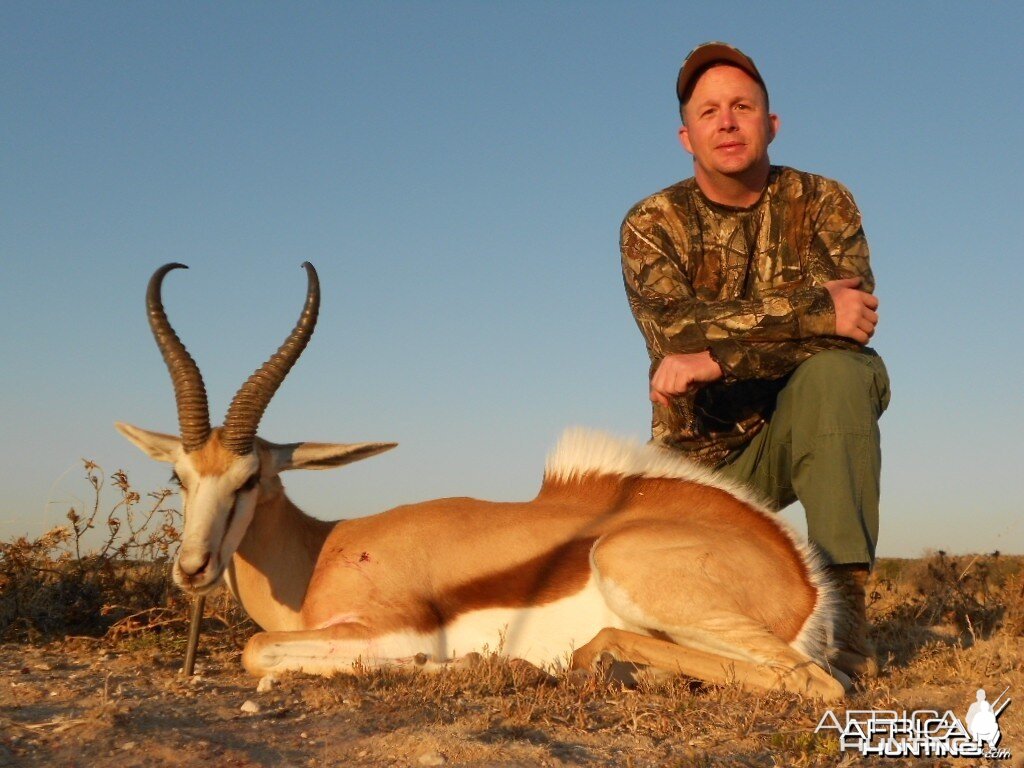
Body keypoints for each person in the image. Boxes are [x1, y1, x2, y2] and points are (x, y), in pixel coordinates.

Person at [620, 42, 890, 678]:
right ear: (687, 137)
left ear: (772, 124)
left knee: (840, 374)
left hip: (804, 428)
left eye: (743, 106)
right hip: (701, 467)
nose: (728, 121)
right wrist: (810, 310)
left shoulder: (825, 202)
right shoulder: (649, 224)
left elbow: (851, 328)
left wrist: (715, 356)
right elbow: (676, 333)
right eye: (709, 111)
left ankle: (844, 623)